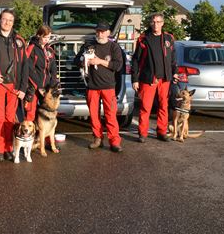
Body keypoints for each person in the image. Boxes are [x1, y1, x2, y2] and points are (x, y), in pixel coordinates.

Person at [0, 9, 29, 162]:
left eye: (10, 20)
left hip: (14, 87)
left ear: (13, 22)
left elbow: (24, 66)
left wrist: (23, 88)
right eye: (4, 19)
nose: (7, 22)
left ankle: (9, 148)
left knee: (10, 118)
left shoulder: (20, 41)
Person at [74, 22, 124, 153]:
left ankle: (114, 142)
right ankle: (97, 138)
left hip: (108, 86)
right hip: (92, 86)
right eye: (98, 31)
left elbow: (118, 65)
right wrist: (84, 60)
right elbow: (76, 61)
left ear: (108, 32)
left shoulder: (114, 47)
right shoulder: (89, 45)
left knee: (110, 115)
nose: (100, 34)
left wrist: (99, 61)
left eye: (102, 31)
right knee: (94, 115)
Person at [131, 12, 179, 143]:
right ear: (150, 23)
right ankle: (142, 133)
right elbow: (135, 60)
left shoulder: (169, 38)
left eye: (158, 22)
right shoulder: (143, 38)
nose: (156, 24)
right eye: (153, 22)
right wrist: (134, 79)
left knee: (164, 106)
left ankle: (162, 132)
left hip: (165, 80)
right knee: (145, 107)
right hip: (148, 79)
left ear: (162, 23)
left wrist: (175, 72)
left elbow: (173, 59)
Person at [25, 25, 58, 121]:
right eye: (45, 37)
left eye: (49, 37)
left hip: (47, 86)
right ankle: (29, 135)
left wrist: (53, 83)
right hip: (33, 86)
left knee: (48, 111)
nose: (47, 40)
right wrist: (39, 86)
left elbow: (53, 68)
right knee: (30, 112)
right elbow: (29, 69)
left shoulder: (50, 50)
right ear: (39, 35)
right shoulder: (32, 48)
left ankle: (46, 135)